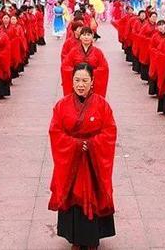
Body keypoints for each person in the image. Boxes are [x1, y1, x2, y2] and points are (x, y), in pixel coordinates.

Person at [48, 63, 117, 249]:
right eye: (77, 80)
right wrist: (76, 145)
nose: (80, 84)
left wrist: (92, 144)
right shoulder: (61, 105)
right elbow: (55, 131)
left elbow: (110, 131)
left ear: (92, 82)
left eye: (85, 80)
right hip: (72, 159)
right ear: (71, 81)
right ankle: (75, 238)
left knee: (94, 194)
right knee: (72, 196)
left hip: (93, 160)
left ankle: (92, 237)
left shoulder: (102, 105)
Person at [61, 27, 109, 97]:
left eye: (88, 35)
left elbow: (104, 68)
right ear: (80, 37)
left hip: (92, 83)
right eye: (84, 35)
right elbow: (65, 66)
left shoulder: (98, 52)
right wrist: (77, 73)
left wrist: (90, 74)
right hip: (78, 84)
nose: (86, 37)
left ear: (92, 37)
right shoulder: (73, 52)